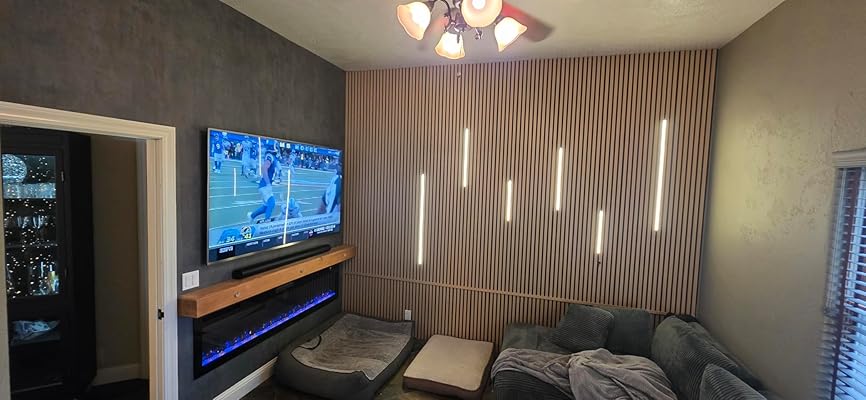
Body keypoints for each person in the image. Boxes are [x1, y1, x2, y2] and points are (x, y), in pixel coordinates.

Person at [249, 153, 277, 223]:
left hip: (264, 185)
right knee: (271, 202)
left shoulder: (272, 157)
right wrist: (268, 183)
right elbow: (264, 168)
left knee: (266, 207)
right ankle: (267, 221)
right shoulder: (270, 156)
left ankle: (252, 216)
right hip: (265, 185)